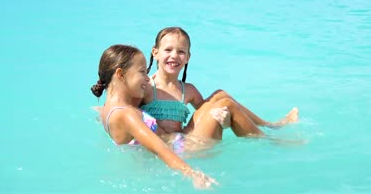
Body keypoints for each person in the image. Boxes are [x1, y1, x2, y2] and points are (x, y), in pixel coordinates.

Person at [91, 44, 217, 189]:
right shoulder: (126, 114)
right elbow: (160, 149)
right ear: (120, 74)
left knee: (220, 102)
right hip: (184, 149)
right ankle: (250, 138)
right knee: (222, 101)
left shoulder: (106, 109)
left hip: (173, 145)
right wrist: (193, 174)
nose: (147, 78)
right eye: (142, 72)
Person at [141, 26, 299, 136]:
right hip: (167, 145)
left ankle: (269, 125)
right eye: (168, 50)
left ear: (188, 58)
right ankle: (269, 138)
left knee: (220, 95)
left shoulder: (188, 90)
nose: (174, 55)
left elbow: (204, 118)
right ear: (155, 53)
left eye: (181, 52)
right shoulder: (146, 86)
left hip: (182, 139)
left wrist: (223, 121)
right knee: (227, 103)